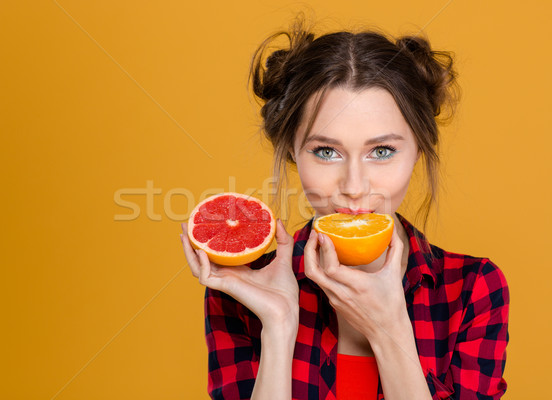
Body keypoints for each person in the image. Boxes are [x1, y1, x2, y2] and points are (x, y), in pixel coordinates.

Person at [179, 16, 509, 400]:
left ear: (418, 148)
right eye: (326, 152)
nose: (354, 187)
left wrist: (389, 330)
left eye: (381, 152)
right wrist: (279, 326)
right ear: (291, 150)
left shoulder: (473, 290)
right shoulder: (244, 293)